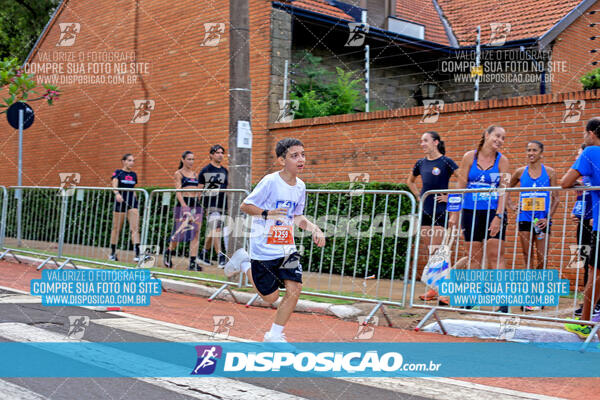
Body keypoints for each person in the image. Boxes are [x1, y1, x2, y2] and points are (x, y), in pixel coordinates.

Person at [225, 138, 325, 342]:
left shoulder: (301, 187)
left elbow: (297, 216)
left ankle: (274, 335)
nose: (301, 159)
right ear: (281, 160)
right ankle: (244, 262)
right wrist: (267, 213)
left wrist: (314, 228)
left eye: (303, 155)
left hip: (287, 248)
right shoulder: (270, 181)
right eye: (294, 155)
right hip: (264, 248)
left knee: (295, 289)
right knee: (270, 298)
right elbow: (246, 206)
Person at [448, 125, 510, 312]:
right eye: (497, 136)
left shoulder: (503, 161)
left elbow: (504, 190)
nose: (499, 140)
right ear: (486, 135)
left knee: (495, 256)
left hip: (493, 212)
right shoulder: (469, 157)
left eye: (503, 138)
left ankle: (502, 302)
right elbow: (460, 186)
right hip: (470, 211)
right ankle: (471, 298)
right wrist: (454, 214)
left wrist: (499, 216)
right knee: (474, 257)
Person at [407, 131, 458, 301]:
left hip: (441, 211)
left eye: (425, 140)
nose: (422, 144)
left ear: (435, 142)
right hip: (426, 210)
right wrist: (419, 197)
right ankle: (433, 290)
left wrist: (450, 197)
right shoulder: (420, 163)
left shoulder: (446, 162)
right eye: (421, 141)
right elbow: (410, 181)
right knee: (431, 251)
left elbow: (463, 180)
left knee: (440, 251)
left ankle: (444, 292)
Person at [508, 141, 559, 311]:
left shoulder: (550, 172)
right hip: (524, 219)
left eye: (534, 150)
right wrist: (512, 205)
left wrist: (548, 217)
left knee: (542, 258)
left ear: (541, 153)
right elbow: (506, 189)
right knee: (527, 256)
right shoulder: (520, 172)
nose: (531, 153)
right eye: (528, 150)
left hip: (541, 221)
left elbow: (556, 198)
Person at [562, 117, 600, 338]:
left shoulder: (591, 152)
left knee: (595, 273)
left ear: (591, 134)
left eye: (585, 134)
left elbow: (566, 182)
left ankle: (585, 322)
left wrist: (582, 182)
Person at [571, 144, 600, 316]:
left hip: (594, 224)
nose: (577, 158)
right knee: (586, 263)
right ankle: (587, 303)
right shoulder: (583, 181)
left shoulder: (593, 177)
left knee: (595, 266)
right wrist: (575, 213)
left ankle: (593, 306)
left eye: (579, 155)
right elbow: (581, 200)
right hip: (583, 224)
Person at [163, 151, 202, 271]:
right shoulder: (178, 173)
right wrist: (184, 206)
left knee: (196, 233)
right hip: (184, 203)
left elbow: (199, 189)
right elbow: (178, 191)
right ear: (183, 160)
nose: (191, 162)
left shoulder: (195, 174)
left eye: (193, 159)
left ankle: (192, 262)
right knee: (180, 232)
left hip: (195, 204)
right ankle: (169, 252)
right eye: (189, 159)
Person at [198, 145, 229, 267]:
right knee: (216, 229)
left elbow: (228, 187)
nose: (220, 155)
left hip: (223, 205)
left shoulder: (225, 170)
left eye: (222, 153)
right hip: (211, 205)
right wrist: (200, 206)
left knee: (214, 231)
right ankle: (221, 257)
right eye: (217, 153)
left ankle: (203, 253)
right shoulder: (205, 170)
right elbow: (199, 190)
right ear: (211, 155)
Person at [109, 154, 140, 262]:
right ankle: (113, 253)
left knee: (135, 228)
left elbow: (133, 188)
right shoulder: (118, 172)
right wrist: (117, 194)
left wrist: (136, 199)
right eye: (129, 160)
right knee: (117, 228)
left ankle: (137, 254)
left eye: (133, 161)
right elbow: (114, 185)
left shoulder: (134, 174)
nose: (132, 163)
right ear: (124, 161)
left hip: (132, 203)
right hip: (120, 202)